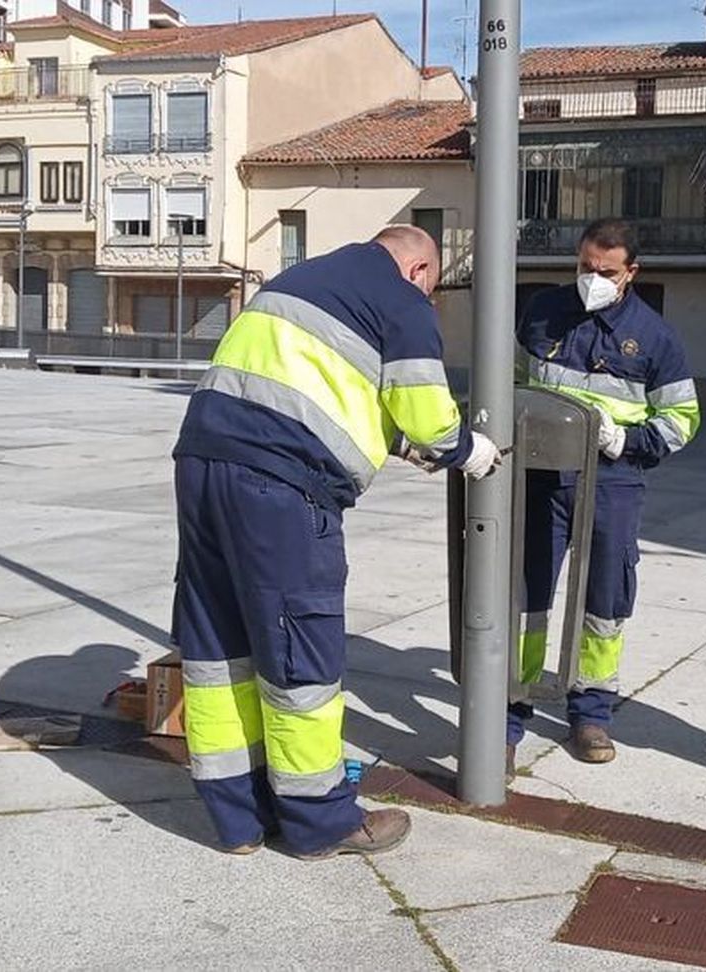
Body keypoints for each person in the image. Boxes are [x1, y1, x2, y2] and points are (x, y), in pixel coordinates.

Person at [171, 226, 502, 859]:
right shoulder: (402, 298)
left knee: (218, 646)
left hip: (201, 465)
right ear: (421, 269)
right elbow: (430, 414)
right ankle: (321, 822)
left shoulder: (297, 282)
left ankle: (238, 820)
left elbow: (317, 390)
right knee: (302, 654)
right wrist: (469, 451)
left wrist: (396, 442)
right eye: (431, 286)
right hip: (281, 487)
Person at [507, 219, 701, 771]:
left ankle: (590, 714)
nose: (593, 278)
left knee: (605, 603)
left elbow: (683, 419)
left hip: (613, 481)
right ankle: (509, 712)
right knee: (526, 599)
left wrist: (628, 441)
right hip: (540, 479)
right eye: (586, 267)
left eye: (607, 272)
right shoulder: (543, 310)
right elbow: (512, 379)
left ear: (631, 273)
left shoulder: (655, 337)